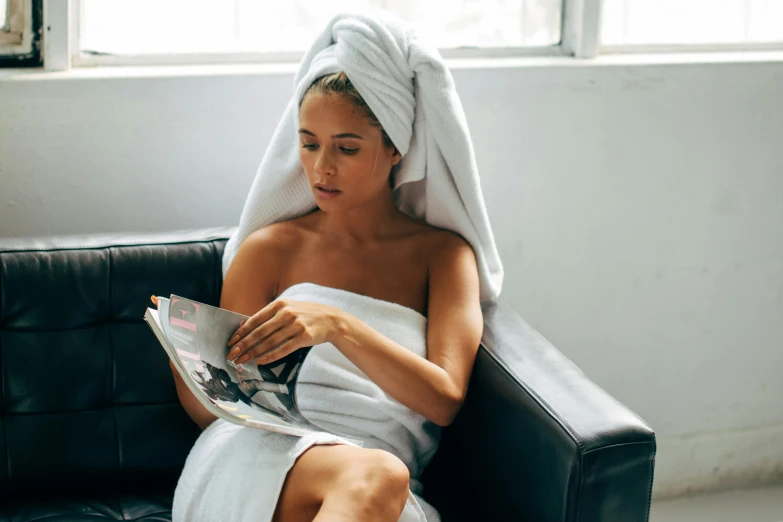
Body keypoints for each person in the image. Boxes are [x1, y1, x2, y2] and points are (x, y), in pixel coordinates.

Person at [169, 12, 498, 522]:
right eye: (308, 143)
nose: (322, 167)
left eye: (346, 148)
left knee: (379, 481)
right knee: (378, 478)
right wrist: (189, 367)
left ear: (394, 148)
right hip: (257, 453)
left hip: (372, 473)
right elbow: (218, 410)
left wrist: (338, 325)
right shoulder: (270, 248)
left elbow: (444, 400)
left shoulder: (444, 257)